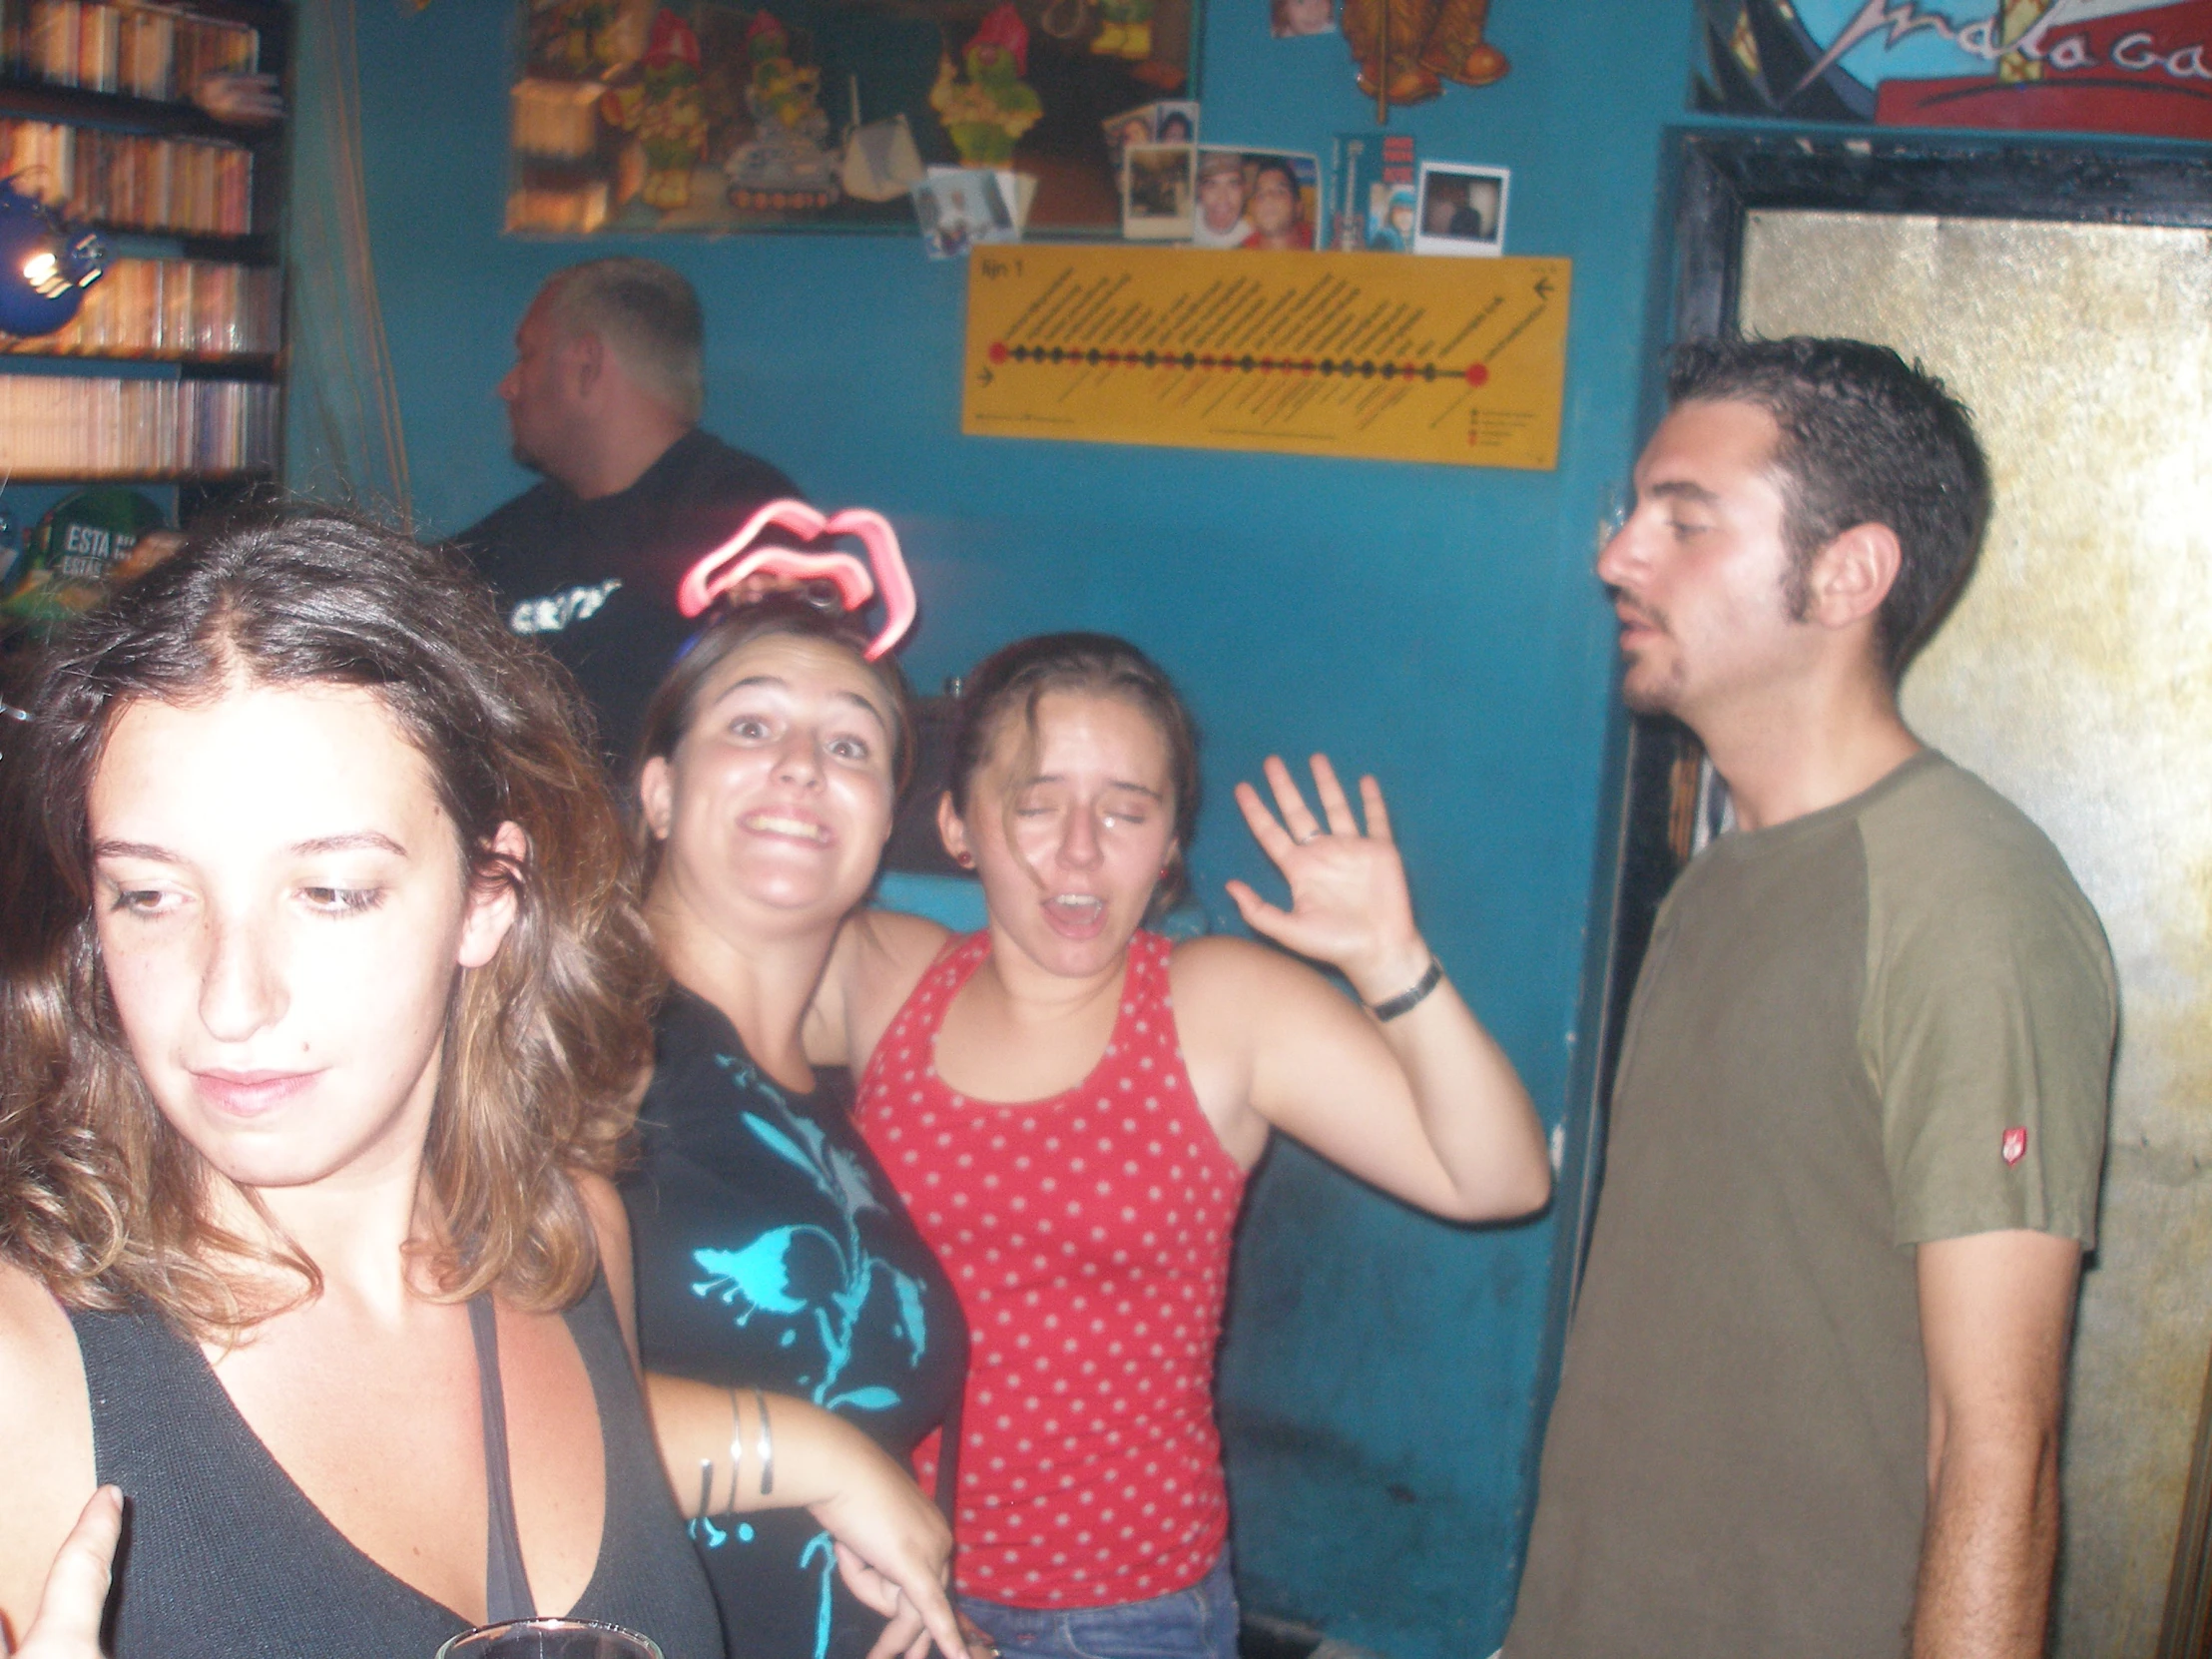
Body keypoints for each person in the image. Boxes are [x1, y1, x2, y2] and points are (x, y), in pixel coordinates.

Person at [0, 518, 959, 1659]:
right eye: (151, 896)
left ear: (487, 896)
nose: (228, 1001)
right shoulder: (29, 1368)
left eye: (332, 891)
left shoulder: (568, 1240)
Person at [1503, 337, 2116, 1658]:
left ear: (1848, 572)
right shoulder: (1718, 880)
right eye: (1632, 516)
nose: (1618, 556)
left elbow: (1997, 1447)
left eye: (1685, 521)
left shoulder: (1967, 901)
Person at [853, 634, 1552, 1657]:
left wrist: (1388, 958)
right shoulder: (888, 979)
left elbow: (1497, 1180)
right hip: (880, 1574)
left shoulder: (1214, 1002)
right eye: (1037, 804)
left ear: (1171, 841)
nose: (1082, 849)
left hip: (1121, 1611)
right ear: (959, 824)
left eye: (1128, 810)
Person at [620, 593, 972, 1659]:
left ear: (881, 820)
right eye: (752, 724)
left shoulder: (825, 1110)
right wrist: (821, 1457)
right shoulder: (588, 1044)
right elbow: (457, 1404)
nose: (803, 764)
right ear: (661, 791)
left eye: (850, 743)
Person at [455, 258, 801, 762]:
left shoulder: (752, 525)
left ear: (587, 367)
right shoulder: (496, 547)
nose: (507, 387)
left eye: (526, 357)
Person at [1239, 158, 1311, 251]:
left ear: (1298, 207)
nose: (1268, 198)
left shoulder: (1323, 241)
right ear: (1252, 209)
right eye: (1260, 194)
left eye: (1280, 192)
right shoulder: (1236, 256)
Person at [1190, 152, 1251, 250]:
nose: (1222, 198)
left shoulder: (1252, 239)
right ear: (1199, 190)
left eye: (1232, 185)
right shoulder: (1181, 228)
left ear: (1244, 191)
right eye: (1212, 185)